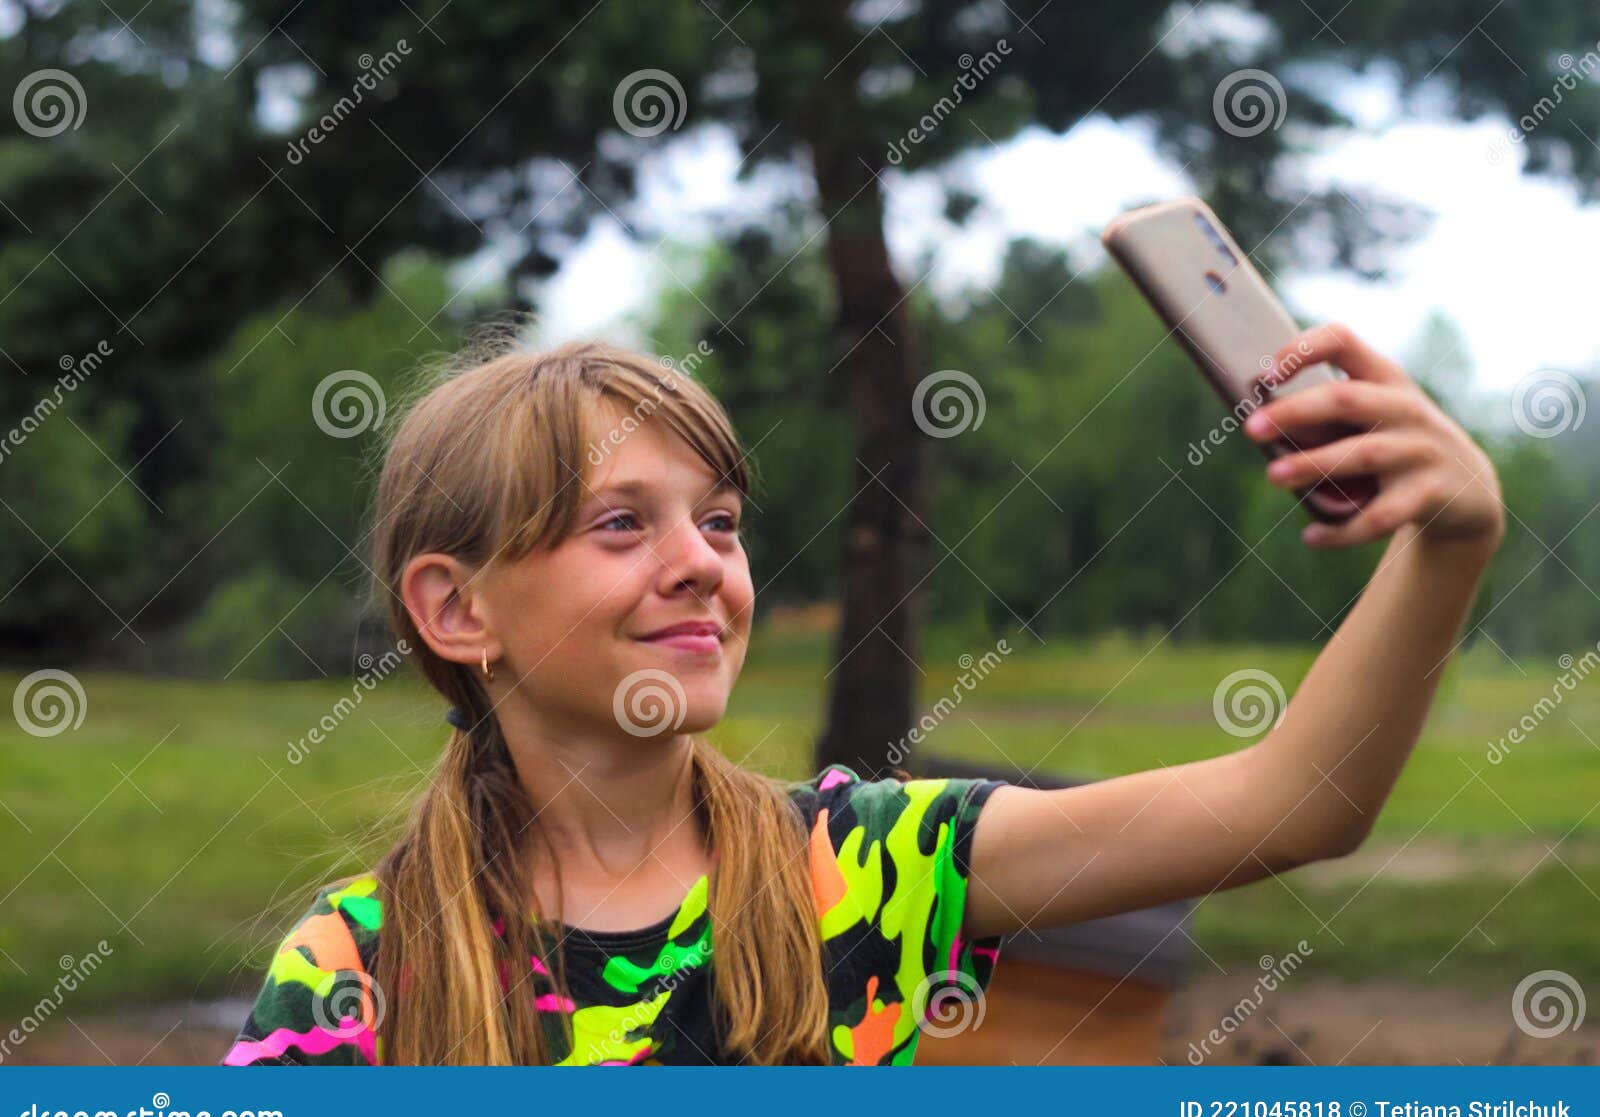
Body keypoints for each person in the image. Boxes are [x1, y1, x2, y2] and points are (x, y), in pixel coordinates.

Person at [221, 321, 1504, 1066]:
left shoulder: (858, 862)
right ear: (456, 610)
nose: (698, 564)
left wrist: (1447, 542)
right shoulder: (358, 966)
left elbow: (1291, 805)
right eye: (620, 524)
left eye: (718, 522)